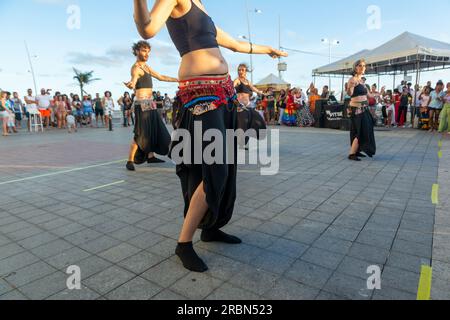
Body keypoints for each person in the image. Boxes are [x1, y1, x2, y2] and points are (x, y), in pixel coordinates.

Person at [134, 0, 286, 273]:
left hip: (223, 94)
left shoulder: (201, 8)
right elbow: (147, 30)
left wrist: (268, 50)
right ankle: (184, 243)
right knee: (213, 168)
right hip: (199, 94)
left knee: (225, 167)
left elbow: (237, 45)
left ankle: (211, 227)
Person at [124, 41, 178, 171]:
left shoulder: (146, 67)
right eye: (144, 50)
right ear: (137, 51)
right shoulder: (136, 68)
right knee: (141, 133)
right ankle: (130, 161)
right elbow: (134, 79)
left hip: (150, 103)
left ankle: (151, 156)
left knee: (155, 129)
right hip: (142, 104)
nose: (147, 53)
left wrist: (177, 79)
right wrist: (131, 84)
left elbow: (160, 76)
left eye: (148, 51)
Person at [347, 59, 376, 161]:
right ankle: (352, 153)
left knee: (363, 129)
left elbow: (370, 95)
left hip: (364, 109)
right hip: (357, 109)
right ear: (355, 67)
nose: (362, 67)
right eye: (360, 65)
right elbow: (350, 93)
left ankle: (357, 150)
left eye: (364, 65)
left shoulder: (362, 82)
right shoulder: (353, 79)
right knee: (360, 131)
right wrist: (349, 87)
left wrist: (380, 93)